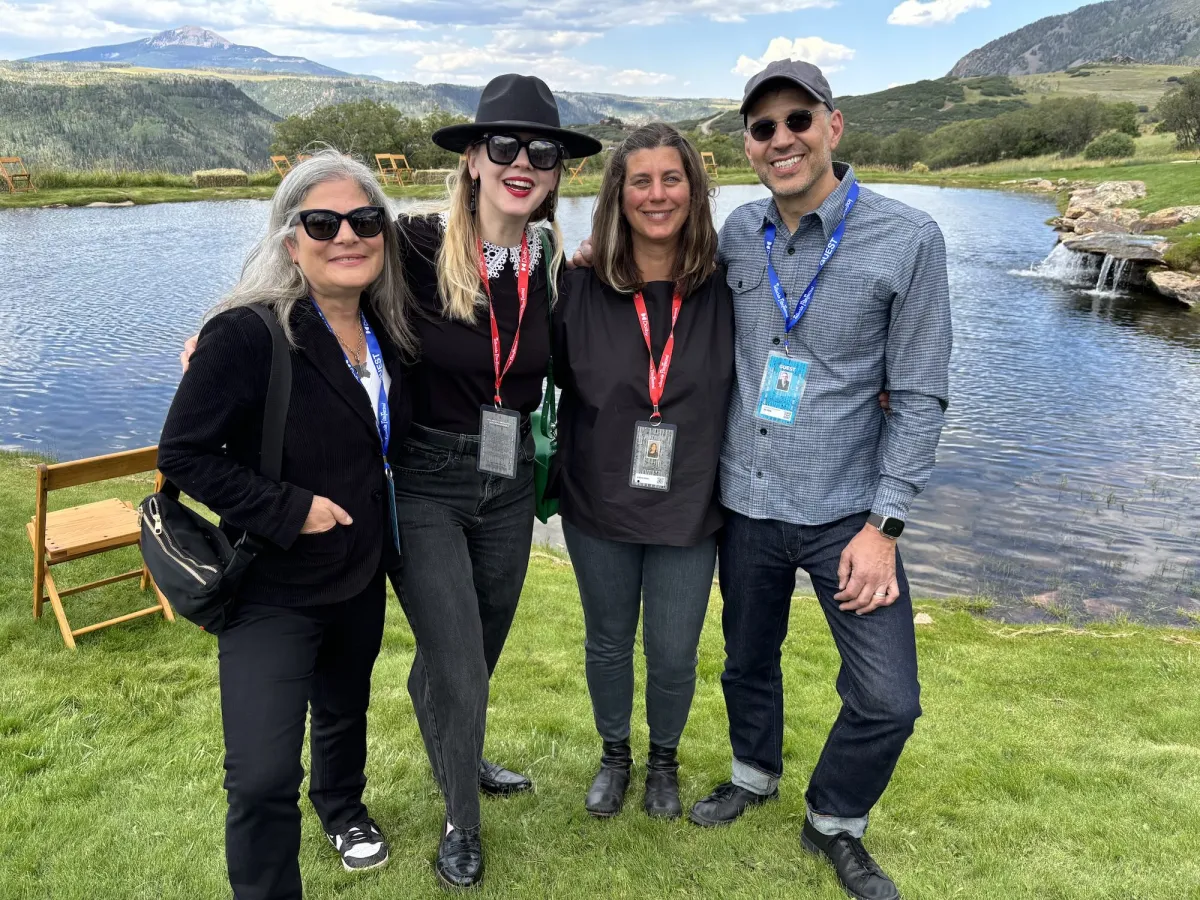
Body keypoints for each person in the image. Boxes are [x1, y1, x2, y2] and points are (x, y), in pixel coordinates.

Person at [681, 59, 952, 900]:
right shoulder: (734, 235)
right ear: (750, 148)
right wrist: (588, 250)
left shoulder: (908, 239)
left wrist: (887, 526)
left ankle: (834, 819)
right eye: (762, 128)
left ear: (834, 126)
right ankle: (754, 773)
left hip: (849, 513)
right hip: (748, 500)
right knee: (746, 661)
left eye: (798, 119)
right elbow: (658, 276)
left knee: (888, 697)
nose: (781, 139)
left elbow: (919, 394)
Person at [158, 150, 416, 900]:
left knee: (345, 708)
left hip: (359, 572)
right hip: (269, 585)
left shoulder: (384, 330)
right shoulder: (246, 333)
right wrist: (289, 508)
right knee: (264, 773)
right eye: (322, 222)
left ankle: (342, 809)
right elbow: (186, 454)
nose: (347, 236)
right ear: (289, 238)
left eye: (365, 220)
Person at [391, 74, 602, 888]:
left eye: (542, 151)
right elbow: (312, 272)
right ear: (473, 160)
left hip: (509, 480)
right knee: (458, 662)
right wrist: (224, 325)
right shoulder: (411, 247)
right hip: (428, 482)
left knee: (476, 649)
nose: (524, 162)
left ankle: (461, 750)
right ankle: (459, 821)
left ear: (556, 173)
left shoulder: (550, 264)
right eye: (504, 146)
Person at [551, 123, 733, 820]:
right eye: (640, 181)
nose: (657, 194)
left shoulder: (729, 282)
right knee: (606, 640)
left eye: (671, 178)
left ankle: (664, 760)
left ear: (694, 187)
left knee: (673, 650)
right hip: (598, 500)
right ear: (617, 194)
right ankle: (614, 755)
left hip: (688, 504)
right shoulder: (578, 286)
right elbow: (503, 353)